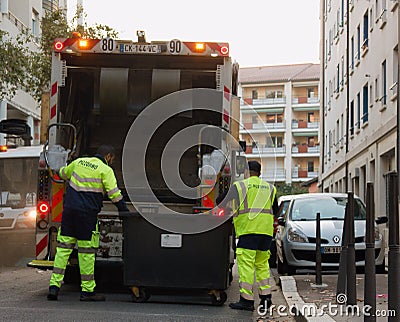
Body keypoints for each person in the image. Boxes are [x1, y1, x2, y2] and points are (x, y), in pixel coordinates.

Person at [47, 145, 129, 301]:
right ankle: (87, 292)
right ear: (109, 156)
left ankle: (53, 287)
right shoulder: (105, 170)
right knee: (86, 254)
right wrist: (123, 210)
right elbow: (114, 194)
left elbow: (63, 173)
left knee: (63, 251)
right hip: (87, 216)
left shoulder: (79, 162)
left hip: (69, 213)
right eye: (112, 159)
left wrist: (58, 166)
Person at [217, 160, 278, 312]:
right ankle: (266, 298)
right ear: (260, 173)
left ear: (245, 172)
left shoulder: (240, 186)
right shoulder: (270, 188)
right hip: (265, 234)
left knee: (246, 266)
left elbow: (220, 201)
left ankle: (247, 300)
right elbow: (275, 210)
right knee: (263, 265)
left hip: (248, 232)